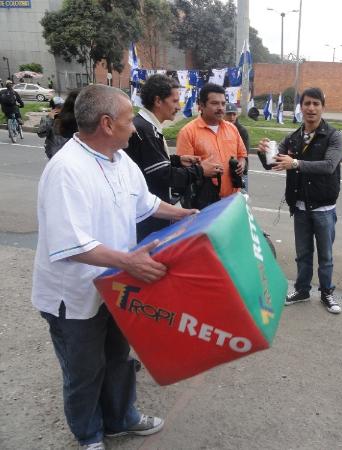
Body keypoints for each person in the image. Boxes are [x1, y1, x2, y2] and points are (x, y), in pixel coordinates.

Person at [31, 84, 197, 450]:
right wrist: (129, 261)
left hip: (115, 284)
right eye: (127, 120)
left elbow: (146, 202)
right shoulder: (67, 170)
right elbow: (70, 244)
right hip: (74, 296)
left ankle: (121, 418)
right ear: (107, 124)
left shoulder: (120, 160)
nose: (134, 128)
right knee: (85, 370)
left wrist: (183, 214)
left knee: (118, 358)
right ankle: (89, 434)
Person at [257, 87, 342, 315]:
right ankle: (302, 290)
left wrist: (295, 163)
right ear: (301, 107)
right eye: (307, 103)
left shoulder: (333, 136)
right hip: (301, 207)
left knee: (325, 256)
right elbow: (273, 163)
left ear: (323, 107)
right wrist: (264, 152)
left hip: (324, 208)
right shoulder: (293, 138)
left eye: (316, 104)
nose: (311, 108)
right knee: (303, 254)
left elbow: (329, 166)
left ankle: (326, 292)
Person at [124, 74, 201, 241]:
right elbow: (163, 176)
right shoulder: (146, 130)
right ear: (158, 101)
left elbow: (148, 164)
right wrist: (200, 171)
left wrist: (176, 160)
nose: (179, 107)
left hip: (149, 212)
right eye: (175, 101)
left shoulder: (147, 126)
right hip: (148, 218)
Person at [176, 83, 247, 200]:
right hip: (204, 201)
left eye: (223, 103)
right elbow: (184, 170)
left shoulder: (232, 128)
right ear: (201, 105)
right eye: (215, 103)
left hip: (233, 198)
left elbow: (242, 155)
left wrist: (241, 164)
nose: (220, 108)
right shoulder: (187, 132)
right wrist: (202, 170)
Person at [224, 102, 250, 190]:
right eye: (228, 114)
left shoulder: (242, 131)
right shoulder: (220, 129)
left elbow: (244, 153)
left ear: (237, 115)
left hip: (240, 171)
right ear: (223, 115)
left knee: (242, 196)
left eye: (234, 114)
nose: (231, 117)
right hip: (226, 172)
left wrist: (241, 165)